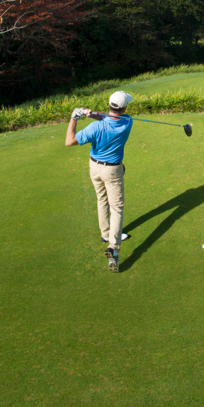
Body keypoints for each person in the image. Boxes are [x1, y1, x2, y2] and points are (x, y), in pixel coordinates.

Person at [66, 91, 135, 272]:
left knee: (101, 199)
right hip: (113, 170)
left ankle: (106, 235)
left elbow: (69, 141)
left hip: (95, 167)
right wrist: (91, 114)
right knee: (117, 208)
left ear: (110, 105)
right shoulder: (127, 122)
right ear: (124, 107)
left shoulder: (95, 128)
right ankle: (113, 246)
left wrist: (75, 118)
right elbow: (109, 118)